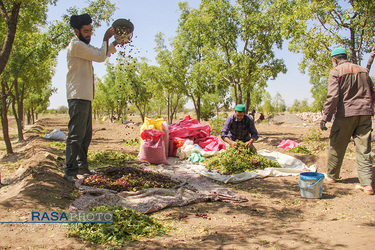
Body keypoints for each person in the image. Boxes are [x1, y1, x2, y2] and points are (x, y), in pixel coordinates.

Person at [64, 14, 118, 183]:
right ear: (76, 31)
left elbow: (100, 52)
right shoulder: (76, 46)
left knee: (85, 136)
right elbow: (101, 56)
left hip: (86, 96)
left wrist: (115, 43)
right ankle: (70, 171)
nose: (89, 34)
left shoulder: (83, 46)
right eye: (86, 31)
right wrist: (105, 38)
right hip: (78, 95)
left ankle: (82, 167)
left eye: (90, 31)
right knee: (76, 136)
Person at [320, 47, 375, 195]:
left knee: (337, 144)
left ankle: (332, 176)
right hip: (365, 114)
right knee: (364, 149)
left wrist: (326, 117)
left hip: (346, 114)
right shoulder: (363, 70)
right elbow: (372, 91)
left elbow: (333, 97)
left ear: (335, 59)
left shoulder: (336, 71)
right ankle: (367, 185)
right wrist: (370, 109)